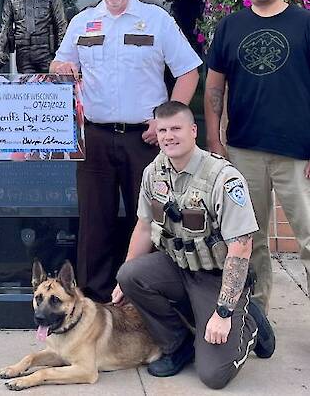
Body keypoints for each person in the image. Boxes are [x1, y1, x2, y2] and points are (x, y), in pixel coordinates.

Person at [50, 0, 202, 303]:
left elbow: (188, 72)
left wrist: (166, 120)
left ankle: (149, 298)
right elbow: (61, 62)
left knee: (153, 220)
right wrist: (60, 68)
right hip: (96, 137)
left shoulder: (156, 20)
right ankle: (95, 300)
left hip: (145, 139)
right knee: (94, 220)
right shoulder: (83, 22)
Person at [112, 101, 275, 389]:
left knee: (214, 375)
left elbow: (241, 247)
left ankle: (249, 321)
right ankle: (178, 344)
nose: (169, 136)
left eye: (176, 128)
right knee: (130, 276)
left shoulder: (223, 178)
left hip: (217, 277)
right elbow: (144, 226)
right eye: (162, 130)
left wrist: (224, 313)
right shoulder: (155, 172)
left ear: (193, 130)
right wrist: (122, 279)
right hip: (178, 266)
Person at [205, 0, 310, 314]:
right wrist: (216, 141)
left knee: (309, 237)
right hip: (244, 150)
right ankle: (258, 318)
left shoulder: (305, 23)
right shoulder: (230, 27)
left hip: (298, 151)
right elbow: (214, 86)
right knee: (251, 240)